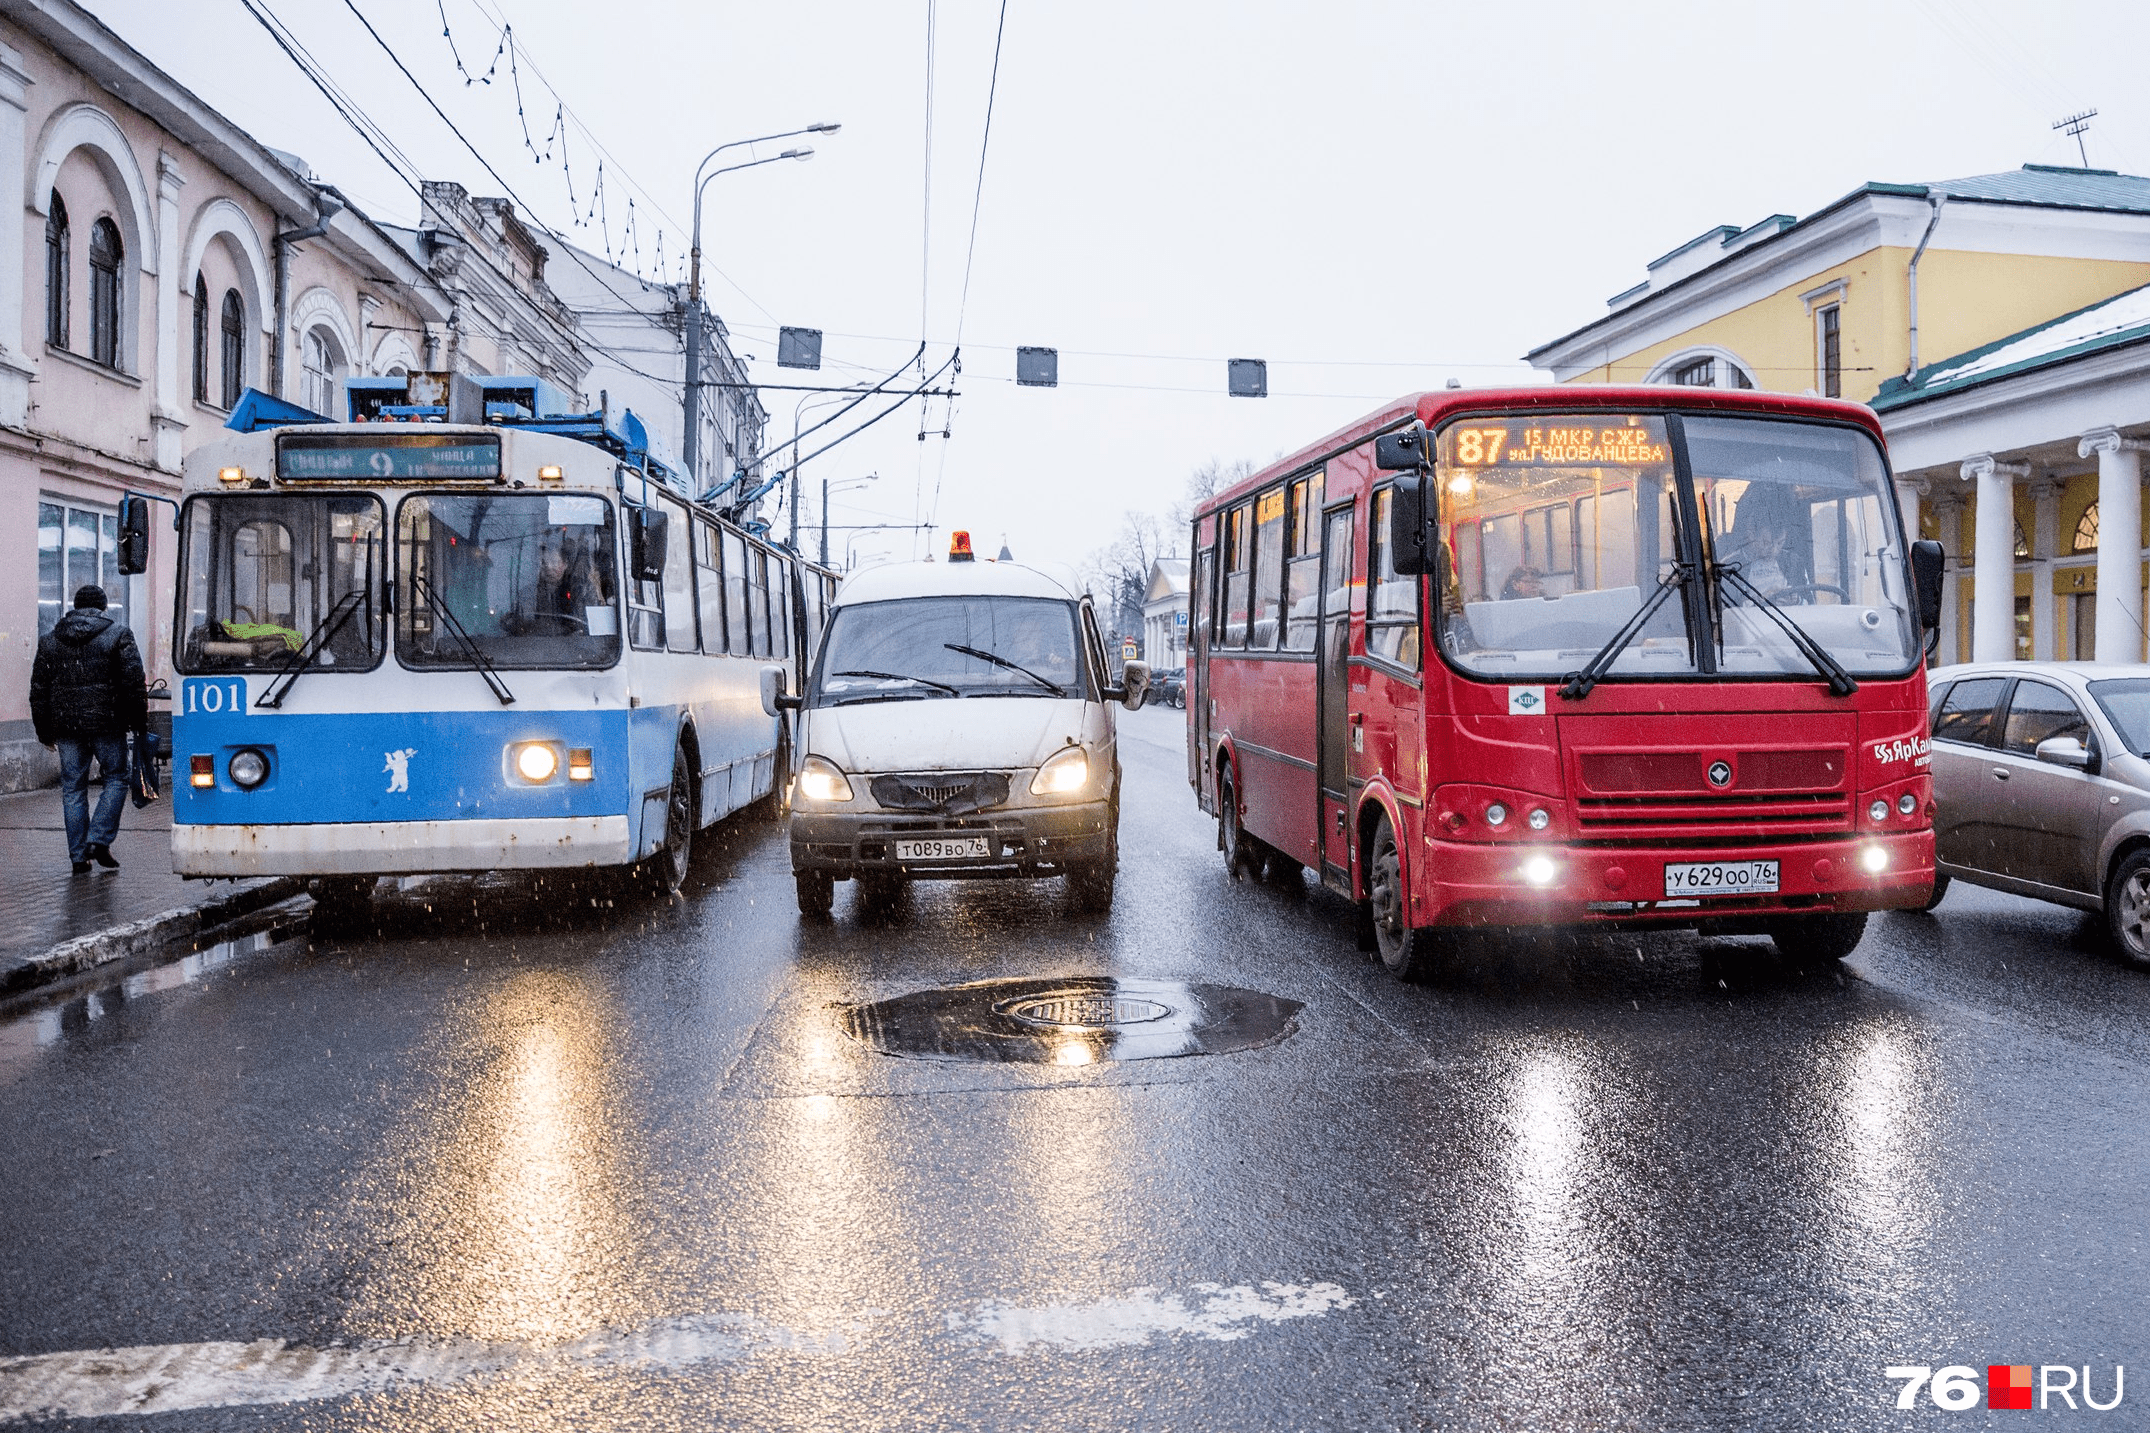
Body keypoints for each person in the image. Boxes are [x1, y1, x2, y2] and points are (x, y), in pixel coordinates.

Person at [30, 585, 147, 875]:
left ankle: (79, 858)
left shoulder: (50, 640)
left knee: (72, 788)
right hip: (107, 723)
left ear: (75, 606)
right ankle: (99, 838)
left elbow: (38, 690)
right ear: (104, 607)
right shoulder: (118, 634)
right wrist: (139, 723)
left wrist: (44, 731)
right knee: (117, 778)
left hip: (67, 728)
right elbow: (134, 683)